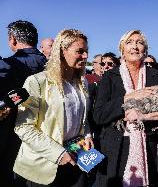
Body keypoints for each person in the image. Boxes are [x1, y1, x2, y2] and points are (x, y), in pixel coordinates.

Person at [13, 29, 94, 186]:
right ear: (62, 51)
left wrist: (88, 135)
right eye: (80, 51)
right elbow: (23, 127)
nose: (85, 56)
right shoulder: (37, 81)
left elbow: (82, 119)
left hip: (77, 157)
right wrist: (58, 153)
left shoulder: (82, 83)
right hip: (45, 164)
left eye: (86, 51)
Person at [93, 30, 158, 187]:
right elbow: (99, 115)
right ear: (122, 50)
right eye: (129, 42)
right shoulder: (110, 77)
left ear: (145, 50)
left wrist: (144, 116)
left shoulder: (156, 76)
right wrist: (131, 97)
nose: (135, 46)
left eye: (139, 42)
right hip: (115, 147)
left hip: (149, 144)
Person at [0, 20, 47, 186]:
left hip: (11, 140)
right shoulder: (51, 66)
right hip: (47, 138)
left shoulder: (6, 66)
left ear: (12, 39)